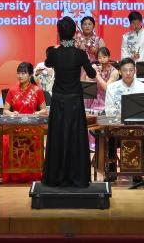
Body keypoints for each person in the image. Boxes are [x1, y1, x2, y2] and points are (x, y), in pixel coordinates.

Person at [43, 17, 98, 187]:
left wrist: (58, 48)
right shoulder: (79, 54)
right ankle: (77, 176)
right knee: (75, 137)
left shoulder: (54, 53)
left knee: (58, 136)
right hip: (75, 100)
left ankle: (56, 176)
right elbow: (92, 74)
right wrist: (83, 52)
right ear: (74, 32)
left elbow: (47, 63)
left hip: (59, 100)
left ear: (59, 33)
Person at [0, 62, 47, 184]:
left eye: (23, 73)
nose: (20, 76)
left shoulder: (37, 90)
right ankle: (6, 173)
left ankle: (33, 172)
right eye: (18, 73)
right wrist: (12, 113)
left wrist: (38, 112)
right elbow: (5, 111)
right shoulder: (12, 90)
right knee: (5, 142)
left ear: (30, 74)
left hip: (31, 127)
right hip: (15, 127)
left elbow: (44, 110)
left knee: (35, 140)